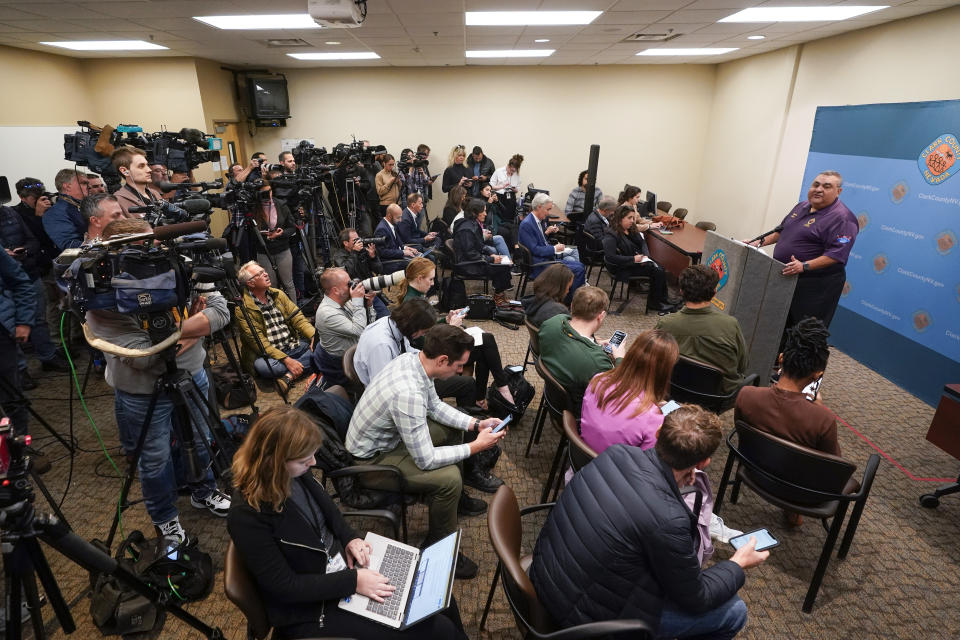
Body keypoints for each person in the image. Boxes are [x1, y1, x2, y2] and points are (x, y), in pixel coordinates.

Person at [228, 406, 469, 640]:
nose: (313, 463)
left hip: (341, 569)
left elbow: (330, 512)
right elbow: (285, 587)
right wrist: (353, 582)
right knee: (437, 629)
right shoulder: (247, 516)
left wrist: (349, 537)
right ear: (275, 461)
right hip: (310, 608)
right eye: (304, 460)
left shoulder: (293, 472)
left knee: (438, 599)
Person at [530, 403, 767, 638]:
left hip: (544, 579)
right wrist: (737, 564)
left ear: (657, 435)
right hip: (586, 621)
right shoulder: (669, 518)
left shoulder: (617, 453)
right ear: (704, 462)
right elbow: (698, 597)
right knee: (734, 611)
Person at [84, 218, 231, 543]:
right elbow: (148, 357)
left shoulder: (177, 264)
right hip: (141, 393)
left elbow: (221, 313)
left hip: (192, 375)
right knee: (154, 460)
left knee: (202, 437)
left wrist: (176, 334)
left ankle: (203, 490)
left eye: (150, 248)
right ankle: (165, 519)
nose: (149, 260)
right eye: (136, 254)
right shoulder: (100, 297)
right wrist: (194, 323)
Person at [346, 324, 507, 579]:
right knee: (449, 480)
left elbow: (435, 407)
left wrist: (476, 425)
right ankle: (439, 548)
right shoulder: (408, 393)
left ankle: (452, 503)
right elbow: (426, 459)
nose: (461, 371)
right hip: (371, 463)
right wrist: (476, 446)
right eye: (459, 365)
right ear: (443, 360)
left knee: (455, 429)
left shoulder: (413, 360)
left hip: (387, 441)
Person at [745, 171, 858, 329]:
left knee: (804, 331)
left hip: (816, 285)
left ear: (838, 191)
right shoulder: (802, 206)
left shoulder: (843, 218)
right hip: (786, 277)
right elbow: (781, 231)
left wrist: (804, 265)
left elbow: (836, 255)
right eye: (816, 184)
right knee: (779, 325)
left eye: (826, 186)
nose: (819, 189)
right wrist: (757, 242)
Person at [736, 317, 840, 456]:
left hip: (750, 472)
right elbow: (834, 464)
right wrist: (819, 408)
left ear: (781, 359)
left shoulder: (746, 395)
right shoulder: (823, 421)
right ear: (817, 375)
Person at [580, 329, 678, 454]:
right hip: (615, 472)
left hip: (580, 460)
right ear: (665, 371)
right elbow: (646, 462)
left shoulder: (598, 380)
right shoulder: (653, 418)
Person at [0, 200, 68, 377]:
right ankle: (20, 371)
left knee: (38, 318)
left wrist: (25, 251)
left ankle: (48, 356)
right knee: (7, 327)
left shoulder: (10, 213)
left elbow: (32, 239)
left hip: (27, 271)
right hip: (4, 278)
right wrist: (4, 253)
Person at [657, 265, 749, 394]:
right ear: (714, 292)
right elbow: (742, 365)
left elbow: (651, 360)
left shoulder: (665, 324)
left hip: (673, 388)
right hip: (718, 396)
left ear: (681, 291)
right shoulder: (731, 325)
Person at [234, 260, 315, 393]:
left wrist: (313, 336)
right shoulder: (242, 309)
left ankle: (288, 377)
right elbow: (260, 343)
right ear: (250, 283)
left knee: (320, 344)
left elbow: (298, 318)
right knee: (265, 367)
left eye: (264, 271)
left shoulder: (278, 294)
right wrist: (287, 360)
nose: (266, 274)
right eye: (260, 274)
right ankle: (304, 363)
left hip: (292, 345)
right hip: (271, 356)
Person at [538, 286, 625, 407]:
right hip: (580, 413)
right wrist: (620, 359)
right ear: (601, 315)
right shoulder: (598, 362)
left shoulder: (552, 323)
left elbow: (572, 336)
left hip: (554, 401)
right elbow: (617, 394)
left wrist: (594, 343)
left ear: (572, 305)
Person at [602, 205, 678, 313]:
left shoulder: (631, 229)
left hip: (636, 261)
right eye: (629, 218)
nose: (632, 221)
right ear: (620, 218)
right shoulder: (611, 234)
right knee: (657, 271)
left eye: (633, 218)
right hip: (621, 267)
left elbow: (642, 242)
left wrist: (646, 255)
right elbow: (611, 257)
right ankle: (655, 303)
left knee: (660, 268)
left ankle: (664, 300)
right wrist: (633, 259)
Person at [13, 179, 60, 347]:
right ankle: (54, 344)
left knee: (59, 305)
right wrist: (39, 217)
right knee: (47, 308)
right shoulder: (16, 214)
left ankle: (63, 341)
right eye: (34, 197)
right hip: (38, 267)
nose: (39, 199)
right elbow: (34, 241)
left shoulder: (50, 210)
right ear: (21, 197)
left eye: (41, 195)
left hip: (54, 261)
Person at [313, 268, 374, 387]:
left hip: (357, 350)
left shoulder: (345, 300)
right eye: (348, 284)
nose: (353, 286)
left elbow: (367, 328)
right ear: (335, 290)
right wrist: (357, 301)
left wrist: (368, 305)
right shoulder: (327, 313)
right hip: (340, 364)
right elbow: (359, 330)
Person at [518, 192, 586, 293]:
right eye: (548, 209)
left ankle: (567, 296)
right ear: (539, 207)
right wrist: (554, 249)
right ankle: (569, 300)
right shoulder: (527, 224)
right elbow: (535, 250)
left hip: (545, 259)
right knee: (579, 270)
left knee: (580, 265)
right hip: (539, 264)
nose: (549, 213)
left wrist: (548, 236)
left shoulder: (536, 220)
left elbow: (537, 242)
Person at [0, 250, 36, 436]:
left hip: (3, 336)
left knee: (11, 397)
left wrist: (23, 321)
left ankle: (19, 452)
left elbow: (20, 281)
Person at [452, 198, 513, 306]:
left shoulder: (473, 224)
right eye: (483, 211)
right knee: (503, 266)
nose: (485, 214)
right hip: (467, 265)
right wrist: (491, 259)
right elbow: (470, 254)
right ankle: (498, 298)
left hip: (474, 260)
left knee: (505, 261)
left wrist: (491, 254)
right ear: (474, 212)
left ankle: (499, 294)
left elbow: (480, 245)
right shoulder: (466, 229)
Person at [252, 175, 297, 302]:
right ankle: (276, 313)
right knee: (271, 285)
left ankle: (294, 313)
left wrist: (281, 233)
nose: (268, 195)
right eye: (264, 193)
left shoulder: (281, 204)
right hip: (263, 251)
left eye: (269, 191)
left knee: (288, 284)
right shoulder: (253, 207)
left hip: (282, 249)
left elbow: (292, 227)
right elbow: (249, 232)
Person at [331, 228, 390, 319]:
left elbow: (379, 270)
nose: (359, 241)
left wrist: (373, 257)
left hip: (370, 293)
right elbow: (347, 272)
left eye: (359, 238)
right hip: (354, 298)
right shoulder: (339, 256)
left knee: (386, 318)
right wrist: (354, 253)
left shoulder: (363, 251)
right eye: (355, 240)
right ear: (345, 243)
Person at [111, 146, 164, 218]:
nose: (149, 170)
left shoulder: (155, 193)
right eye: (141, 166)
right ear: (124, 171)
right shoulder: (118, 201)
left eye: (147, 165)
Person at [42, 169, 88, 250]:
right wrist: (99, 243)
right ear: (67, 186)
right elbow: (68, 244)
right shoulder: (54, 214)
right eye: (84, 183)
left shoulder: (87, 205)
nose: (89, 186)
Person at [375, 204, 419, 271]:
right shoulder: (381, 229)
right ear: (389, 216)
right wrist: (403, 252)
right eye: (398, 217)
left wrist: (406, 248)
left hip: (397, 256)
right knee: (417, 265)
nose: (400, 220)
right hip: (390, 262)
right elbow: (383, 252)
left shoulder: (392, 223)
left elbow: (397, 241)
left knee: (422, 259)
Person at [489, 154, 523, 218]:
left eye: (514, 171)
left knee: (510, 217)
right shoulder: (499, 171)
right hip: (499, 197)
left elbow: (517, 189)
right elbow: (491, 186)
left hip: (511, 197)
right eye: (511, 170)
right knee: (499, 216)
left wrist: (514, 189)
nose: (512, 172)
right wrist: (502, 186)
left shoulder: (517, 175)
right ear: (508, 165)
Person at [375, 154, 402, 223]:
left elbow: (400, 188)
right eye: (390, 165)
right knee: (388, 226)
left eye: (393, 164)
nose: (392, 167)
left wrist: (398, 182)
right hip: (386, 205)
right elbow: (380, 191)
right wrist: (389, 182)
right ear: (384, 163)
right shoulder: (379, 175)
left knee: (398, 225)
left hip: (397, 203)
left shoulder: (394, 173)